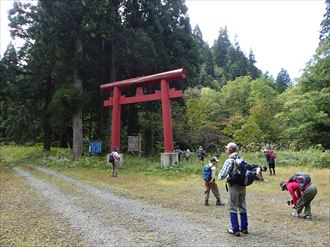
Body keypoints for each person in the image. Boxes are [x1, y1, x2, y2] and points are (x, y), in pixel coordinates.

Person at [218, 142, 248, 237]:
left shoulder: (229, 161)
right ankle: (244, 228)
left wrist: (225, 176)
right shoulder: (241, 159)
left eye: (227, 148)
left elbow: (221, 175)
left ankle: (235, 229)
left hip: (234, 186)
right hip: (243, 186)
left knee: (233, 207)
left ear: (230, 150)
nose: (226, 150)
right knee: (242, 206)